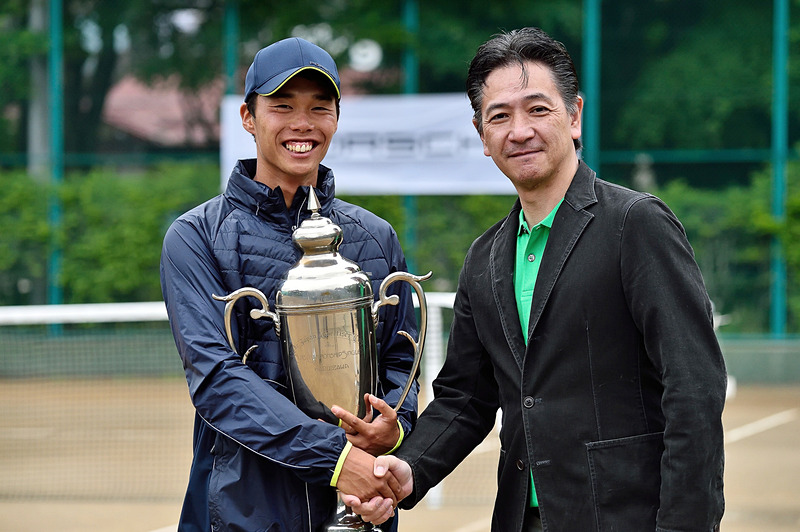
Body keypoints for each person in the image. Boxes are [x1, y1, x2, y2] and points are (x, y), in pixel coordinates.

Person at [339, 27, 726, 531]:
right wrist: (408, 470)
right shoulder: (485, 256)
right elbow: (465, 398)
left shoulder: (636, 224)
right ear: (482, 136)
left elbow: (693, 387)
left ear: (575, 116)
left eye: (537, 109)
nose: (519, 130)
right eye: (499, 116)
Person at [160, 37, 417, 532]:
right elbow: (217, 380)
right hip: (240, 514)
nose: (303, 124)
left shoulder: (375, 237)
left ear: (337, 119)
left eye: (320, 107)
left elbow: (400, 361)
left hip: (361, 507)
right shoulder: (196, 237)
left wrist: (394, 431)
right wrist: (339, 460)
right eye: (282, 106)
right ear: (248, 117)